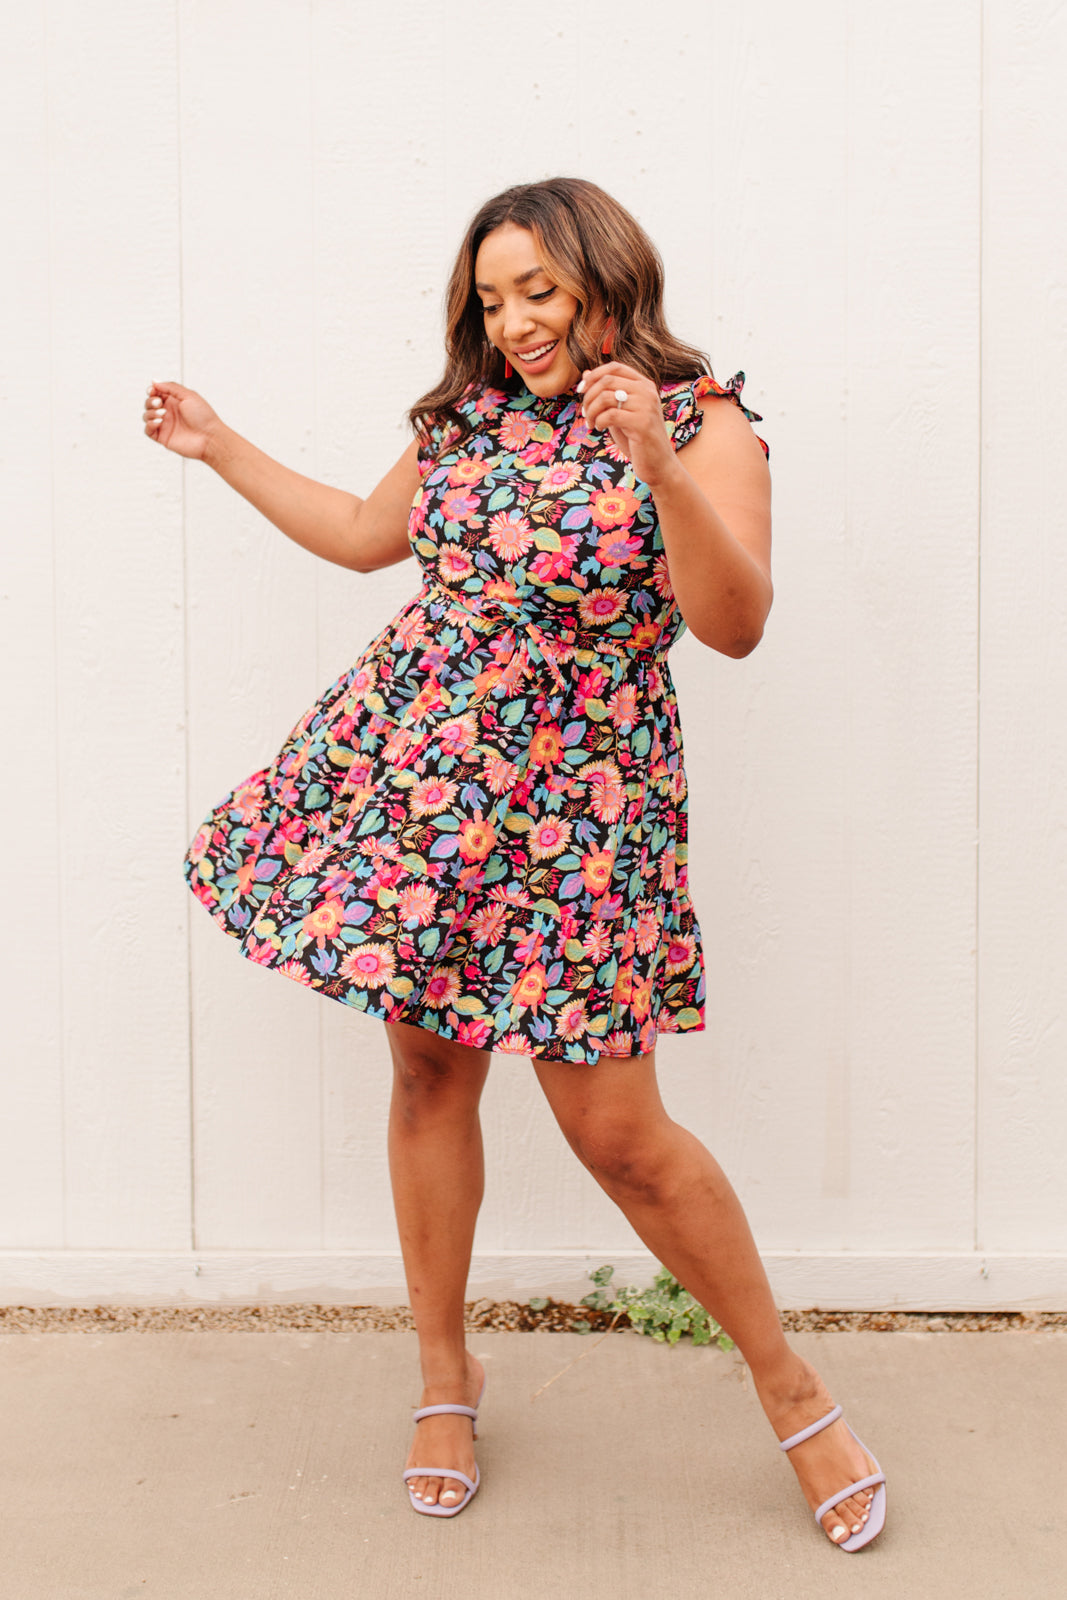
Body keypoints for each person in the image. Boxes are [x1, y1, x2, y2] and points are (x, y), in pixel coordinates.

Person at [143, 177, 885, 1549]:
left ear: (610, 276)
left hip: (582, 820)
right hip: (426, 787)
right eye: (492, 298)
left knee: (621, 1137)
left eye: (539, 290)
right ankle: (444, 1375)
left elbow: (736, 625)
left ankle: (791, 1385)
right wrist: (220, 445)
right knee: (428, 1072)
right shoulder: (470, 421)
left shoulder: (706, 422)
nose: (517, 321)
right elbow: (370, 540)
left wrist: (659, 467)